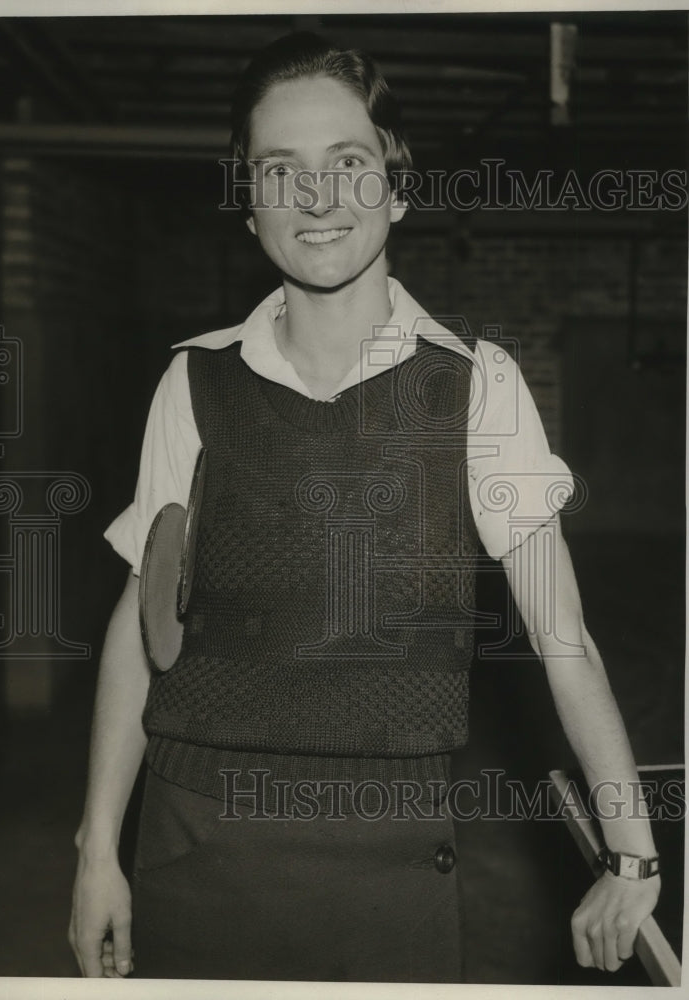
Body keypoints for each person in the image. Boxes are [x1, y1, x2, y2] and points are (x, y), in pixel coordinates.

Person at [68, 31, 661, 983]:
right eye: (279, 171)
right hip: (193, 842)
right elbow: (140, 625)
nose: (318, 199)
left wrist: (632, 852)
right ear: (248, 202)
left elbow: (564, 636)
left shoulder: (477, 388)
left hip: (388, 862)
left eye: (348, 163)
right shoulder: (193, 382)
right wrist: (98, 848)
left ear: (398, 183)